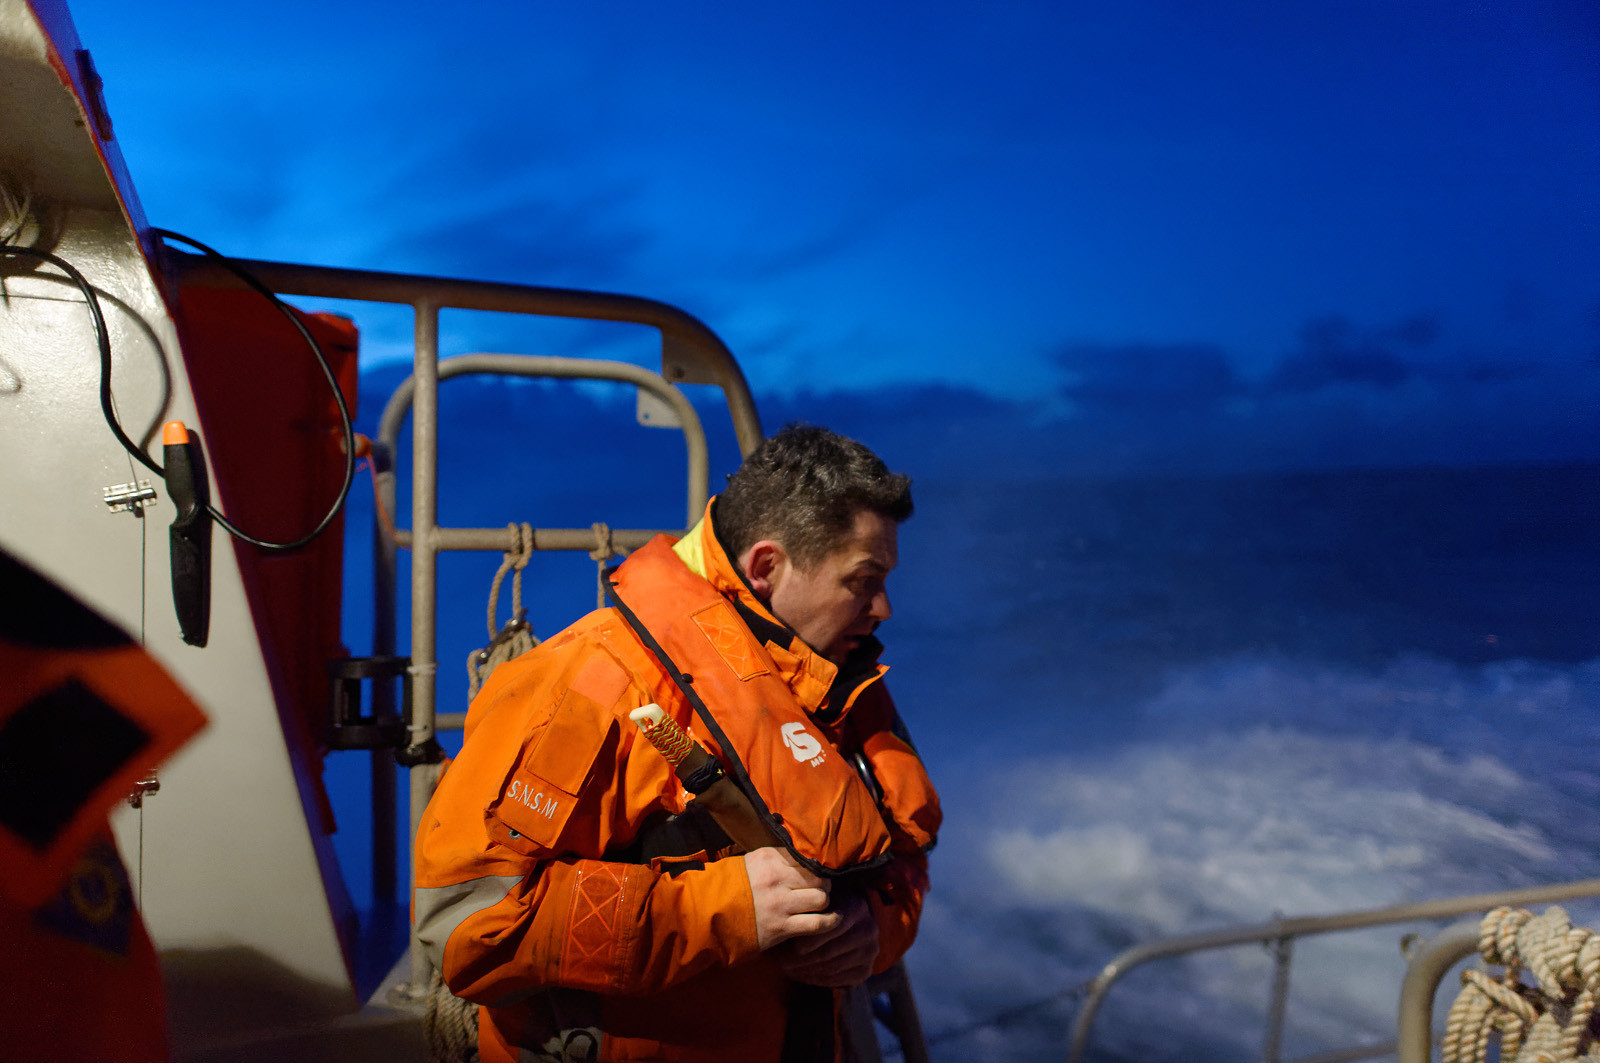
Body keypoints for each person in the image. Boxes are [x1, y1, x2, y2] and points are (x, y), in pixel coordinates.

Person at [415, 424, 941, 1063]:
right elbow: (471, 927)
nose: (883, 607)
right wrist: (724, 909)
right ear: (767, 567)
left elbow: (904, 862)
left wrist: (871, 930)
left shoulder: (841, 688)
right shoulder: (591, 685)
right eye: (863, 579)